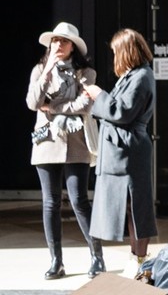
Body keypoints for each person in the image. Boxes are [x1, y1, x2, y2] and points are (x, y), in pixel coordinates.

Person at [26, 22, 104, 279]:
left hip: (76, 142)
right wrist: (47, 71)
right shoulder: (39, 70)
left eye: (64, 41)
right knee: (50, 202)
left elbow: (84, 104)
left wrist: (54, 107)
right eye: (55, 41)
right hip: (46, 140)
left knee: (79, 200)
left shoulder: (86, 73)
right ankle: (56, 261)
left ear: (73, 47)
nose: (58, 45)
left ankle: (97, 257)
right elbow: (33, 102)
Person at [82, 28, 158, 264]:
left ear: (126, 51)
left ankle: (140, 260)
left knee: (136, 207)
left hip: (129, 152)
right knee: (128, 207)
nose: (115, 56)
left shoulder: (141, 76)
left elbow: (122, 111)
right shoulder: (133, 76)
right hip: (122, 151)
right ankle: (137, 258)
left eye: (116, 51)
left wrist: (98, 95)